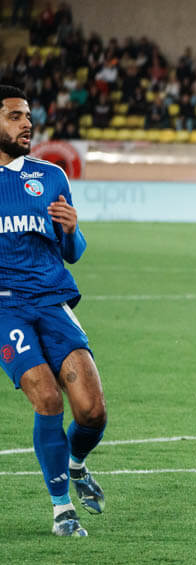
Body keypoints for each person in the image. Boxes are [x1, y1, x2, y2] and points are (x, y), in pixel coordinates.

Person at [0, 85, 106, 537]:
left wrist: (72, 230)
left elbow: (73, 252)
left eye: (28, 116)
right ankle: (62, 510)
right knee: (47, 398)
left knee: (92, 412)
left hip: (52, 302)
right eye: (15, 117)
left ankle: (76, 463)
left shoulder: (51, 176)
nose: (27, 124)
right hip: (6, 309)